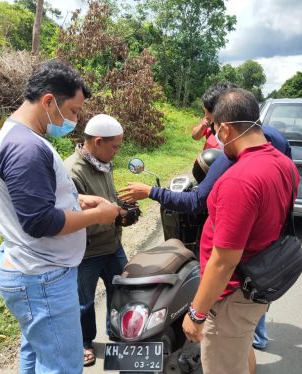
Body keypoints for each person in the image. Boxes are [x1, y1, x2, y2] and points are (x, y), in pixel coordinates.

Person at [119, 82, 291, 351]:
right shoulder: (279, 152)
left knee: (225, 352)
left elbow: (221, 255)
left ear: (225, 125)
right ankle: (255, 337)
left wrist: (198, 313)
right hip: (265, 267)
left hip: (235, 285)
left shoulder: (235, 171)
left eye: (213, 123)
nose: (212, 131)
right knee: (243, 339)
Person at [0, 60, 121, 374]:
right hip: (41, 276)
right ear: (48, 101)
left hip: (31, 268)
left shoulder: (19, 137)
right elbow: (40, 222)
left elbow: (38, 201)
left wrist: (79, 200)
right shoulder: (26, 148)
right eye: (74, 111)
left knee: (36, 352)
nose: (75, 120)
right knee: (62, 365)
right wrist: (98, 215)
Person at [180, 88, 299, 374]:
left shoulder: (239, 179)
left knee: (223, 364)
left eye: (217, 130)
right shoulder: (284, 164)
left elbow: (224, 261)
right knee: (240, 350)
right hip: (258, 284)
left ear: (225, 130)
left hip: (231, 297)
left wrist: (197, 313)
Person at [63, 114, 129, 367]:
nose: (117, 151)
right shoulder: (71, 172)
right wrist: (113, 217)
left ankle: (115, 331)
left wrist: (124, 209)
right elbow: (73, 220)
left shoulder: (103, 163)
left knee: (121, 290)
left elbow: (109, 198)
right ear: (98, 141)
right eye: (115, 146)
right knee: (84, 301)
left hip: (112, 246)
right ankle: (84, 343)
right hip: (87, 252)